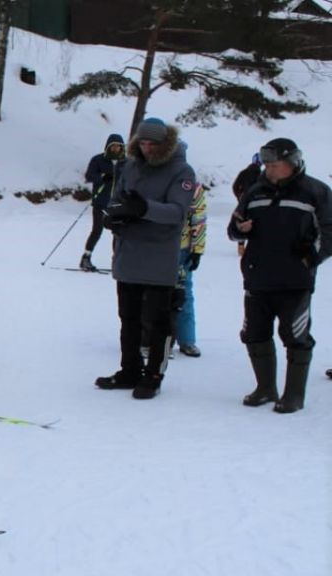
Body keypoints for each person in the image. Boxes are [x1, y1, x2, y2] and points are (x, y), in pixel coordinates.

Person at [94, 116, 195, 400]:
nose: (148, 148)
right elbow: (118, 199)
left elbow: (177, 212)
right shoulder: (130, 166)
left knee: (157, 321)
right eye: (144, 143)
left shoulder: (182, 171)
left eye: (153, 144)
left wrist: (143, 208)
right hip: (129, 253)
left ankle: (154, 374)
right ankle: (129, 370)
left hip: (160, 257)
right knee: (129, 318)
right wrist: (114, 217)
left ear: (165, 144)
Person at [228, 137, 331, 413]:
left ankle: (294, 395)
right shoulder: (254, 191)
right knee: (254, 333)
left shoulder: (316, 192)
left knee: (295, 335)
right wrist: (242, 230)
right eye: (266, 165)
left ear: (291, 163)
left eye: (274, 165)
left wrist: (312, 254)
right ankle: (265, 388)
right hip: (258, 275)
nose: (269, 169)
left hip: (295, 279)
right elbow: (233, 228)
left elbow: (330, 232)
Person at [80, 134, 125, 271]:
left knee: (118, 232)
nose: (116, 148)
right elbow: (89, 176)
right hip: (101, 201)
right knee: (97, 230)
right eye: (113, 146)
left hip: (118, 204)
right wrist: (102, 177)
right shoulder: (98, 160)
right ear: (108, 146)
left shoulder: (126, 163)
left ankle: (116, 261)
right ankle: (86, 258)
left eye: (118, 146)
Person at [174, 182, 206, 358]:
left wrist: (197, 249)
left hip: (182, 248)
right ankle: (151, 338)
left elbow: (199, 216)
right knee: (153, 294)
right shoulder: (152, 176)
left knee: (183, 292)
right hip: (155, 247)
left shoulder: (191, 183)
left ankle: (187, 339)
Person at [232, 153, 263, 259]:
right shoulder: (261, 174)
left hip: (243, 202)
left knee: (242, 221)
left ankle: (241, 247)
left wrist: (239, 197)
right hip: (256, 202)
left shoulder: (243, 173)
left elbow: (235, 186)